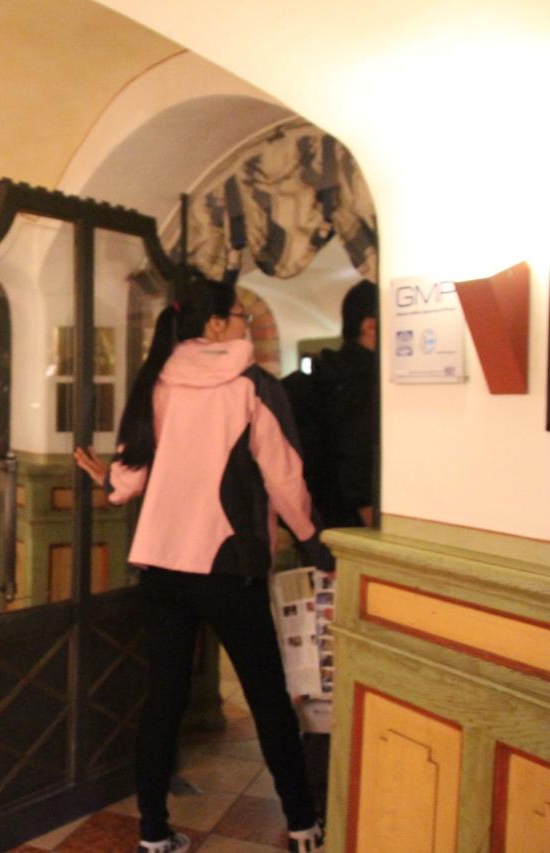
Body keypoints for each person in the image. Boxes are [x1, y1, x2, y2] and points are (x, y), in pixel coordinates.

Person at [74, 272, 332, 853]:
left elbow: (128, 479)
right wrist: (315, 542)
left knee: (163, 700)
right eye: (240, 316)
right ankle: (302, 826)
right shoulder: (253, 387)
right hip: (228, 566)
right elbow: (285, 477)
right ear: (215, 325)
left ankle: (153, 834)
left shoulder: (157, 383)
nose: (245, 324)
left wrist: (108, 481)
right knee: (267, 697)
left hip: (161, 567)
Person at [283, 280, 378, 528]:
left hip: (317, 517)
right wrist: (371, 519)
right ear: (370, 326)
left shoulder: (326, 374)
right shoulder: (364, 380)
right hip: (354, 523)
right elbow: (356, 455)